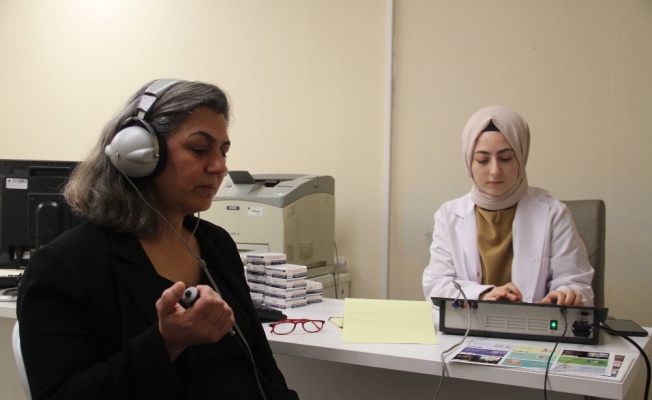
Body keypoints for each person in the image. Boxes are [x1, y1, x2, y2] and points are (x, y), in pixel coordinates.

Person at [17, 79, 299, 399]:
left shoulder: (216, 244)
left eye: (223, 152)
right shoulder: (66, 265)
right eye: (199, 149)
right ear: (138, 153)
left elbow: (263, 368)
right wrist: (167, 343)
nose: (220, 167)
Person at [422, 105, 594, 306]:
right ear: (469, 162)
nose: (495, 171)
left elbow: (575, 284)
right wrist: (483, 294)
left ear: (521, 157)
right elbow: (437, 285)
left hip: (535, 325)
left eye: (506, 158)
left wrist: (565, 295)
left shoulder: (554, 213)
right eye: (482, 160)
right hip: (469, 324)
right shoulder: (448, 215)